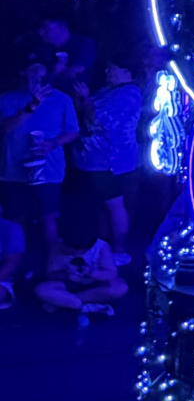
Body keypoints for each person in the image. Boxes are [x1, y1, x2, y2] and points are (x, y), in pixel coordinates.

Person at [0, 56, 81, 274]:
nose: (36, 76)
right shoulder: (6, 99)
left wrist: (53, 142)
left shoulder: (62, 99)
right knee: (16, 220)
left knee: (48, 217)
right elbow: (4, 129)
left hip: (49, 171)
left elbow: (73, 131)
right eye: (31, 71)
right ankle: (14, 270)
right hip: (12, 171)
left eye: (40, 72)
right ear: (22, 73)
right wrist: (31, 107)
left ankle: (52, 270)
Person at [68, 56, 145, 265]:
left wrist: (85, 100)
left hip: (108, 161)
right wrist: (81, 99)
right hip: (91, 159)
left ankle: (120, 250)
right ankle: (102, 248)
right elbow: (83, 112)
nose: (107, 72)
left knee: (114, 205)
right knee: (103, 206)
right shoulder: (107, 90)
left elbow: (99, 120)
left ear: (126, 71)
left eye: (112, 68)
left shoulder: (129, 93)